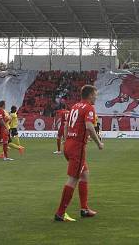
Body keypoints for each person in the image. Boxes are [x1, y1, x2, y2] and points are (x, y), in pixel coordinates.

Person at [54, 85, 104, 222]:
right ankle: (60, 213)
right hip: (77, 148)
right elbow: (89, 126)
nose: (96, 97)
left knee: (84, 174)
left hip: (69, 144)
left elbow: (65, 126)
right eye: (95, 94)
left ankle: (84, 209)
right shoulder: (89, 108)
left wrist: (65, 141)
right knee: (73, 178)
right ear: (89, 95)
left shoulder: (75, 106)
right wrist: (99, 142)